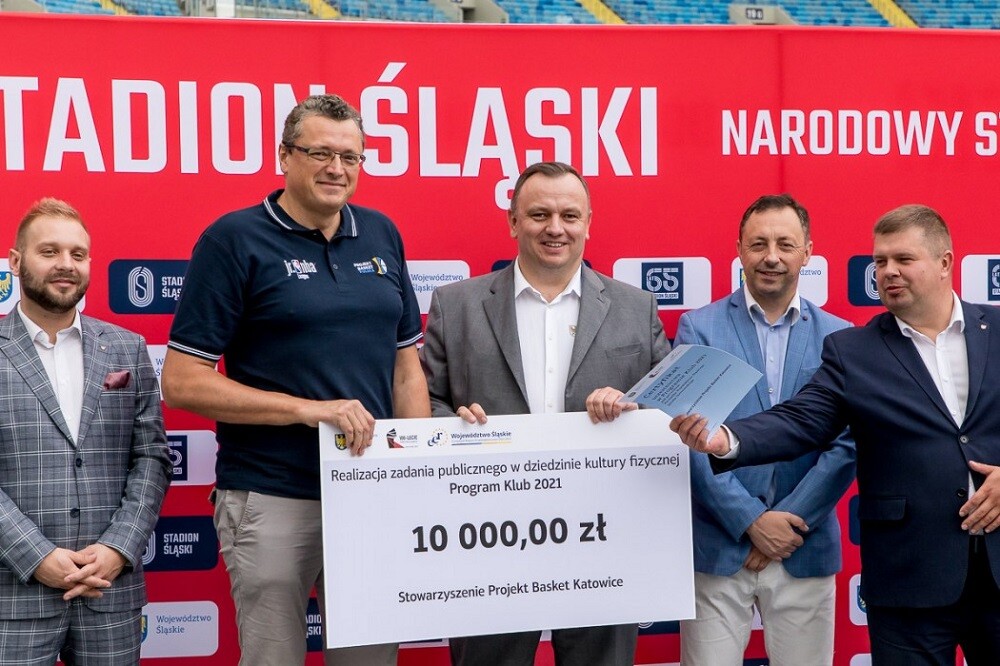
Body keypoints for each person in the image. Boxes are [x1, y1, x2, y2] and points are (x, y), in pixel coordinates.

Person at [161, 94, 430, 666]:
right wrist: (307, 409)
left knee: (369, 661)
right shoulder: (233, 240)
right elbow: (182, 382)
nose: (337, 168)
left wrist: (417, 470)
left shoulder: (382, 233)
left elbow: (406, 366)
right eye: (320, 153)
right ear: (285, 155)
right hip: (271, 492)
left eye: (350, 157)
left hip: (370, 493)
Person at [671, 204, 1000, 665]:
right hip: (909, 581)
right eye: (880, 261)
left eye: (903, 259)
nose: (888, 271)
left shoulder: (997, 330)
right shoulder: (856, 350)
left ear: (945, 262)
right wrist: (726, 440)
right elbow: (800, 421)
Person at [420, 161, 670, 666]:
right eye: (539, 215)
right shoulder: (456, 303)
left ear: (588, 224)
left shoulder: (635, 307)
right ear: (513, 222)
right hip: (487, 537)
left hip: (605, 535)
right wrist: (452, 429)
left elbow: (668, 405)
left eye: (569, 215)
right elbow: (424, 399)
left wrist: (632, 408)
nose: (556, 228)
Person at [674, 194, 855, 666]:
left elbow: (846, 444)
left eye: (785, 244)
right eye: (758, 244)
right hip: (720, 544)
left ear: (807, 252)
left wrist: (788, 521)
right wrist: (751, 522)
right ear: (739, 249)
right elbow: (690, 440)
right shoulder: (700, 328)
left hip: (804, 544)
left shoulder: (840, 336)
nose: (771, 256)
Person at [0, 198, 171, 664]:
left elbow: (152, 458)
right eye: (49, 251)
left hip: (109, 593)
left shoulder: (127, 348)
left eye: (77, 254)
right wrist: (36, 556)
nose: (65, 264)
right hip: (12, 595)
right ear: (15, 261)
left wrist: (118, 548)